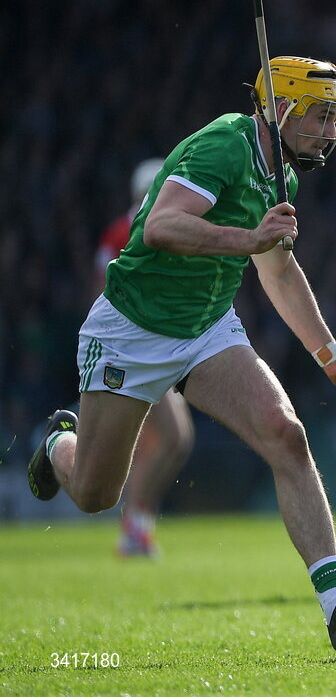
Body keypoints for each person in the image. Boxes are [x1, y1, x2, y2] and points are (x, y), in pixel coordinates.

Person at [28, 56, 336, 652]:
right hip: (132, 328)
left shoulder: (284, 175)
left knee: (287, 435)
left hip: (208, 329)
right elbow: (160, 227)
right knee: (98, 495)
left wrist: (331, 358)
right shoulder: (224, 146)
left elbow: (278, 269)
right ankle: (57, 446)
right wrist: (250, 238)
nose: (331, 132)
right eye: (320, 117)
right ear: (280, 110)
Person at [94, 158, 196, 558]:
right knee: (172, 437)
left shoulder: (126, 228)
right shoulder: (128, 230)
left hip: (150, 349)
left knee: (163, 441)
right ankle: (134, 524)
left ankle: (137, 523)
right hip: (132, 351)